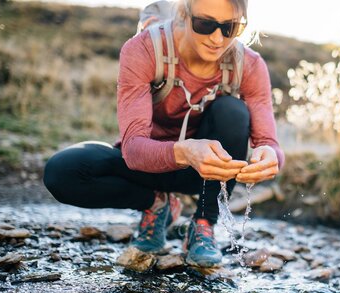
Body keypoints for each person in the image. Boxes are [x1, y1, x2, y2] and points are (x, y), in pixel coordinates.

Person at [43, 0, 284, 268]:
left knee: (233, 111)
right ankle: (157, 204)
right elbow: (133, 149)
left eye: (230, 28)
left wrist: (270, 156)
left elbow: (269, 144)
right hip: (147, 167)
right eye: (205, 24)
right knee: (61, 172)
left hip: (204, 175)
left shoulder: (249, 64)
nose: (218, 39)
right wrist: (186, 151)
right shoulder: (143, 49)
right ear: (183, 13)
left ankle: (204, 224)